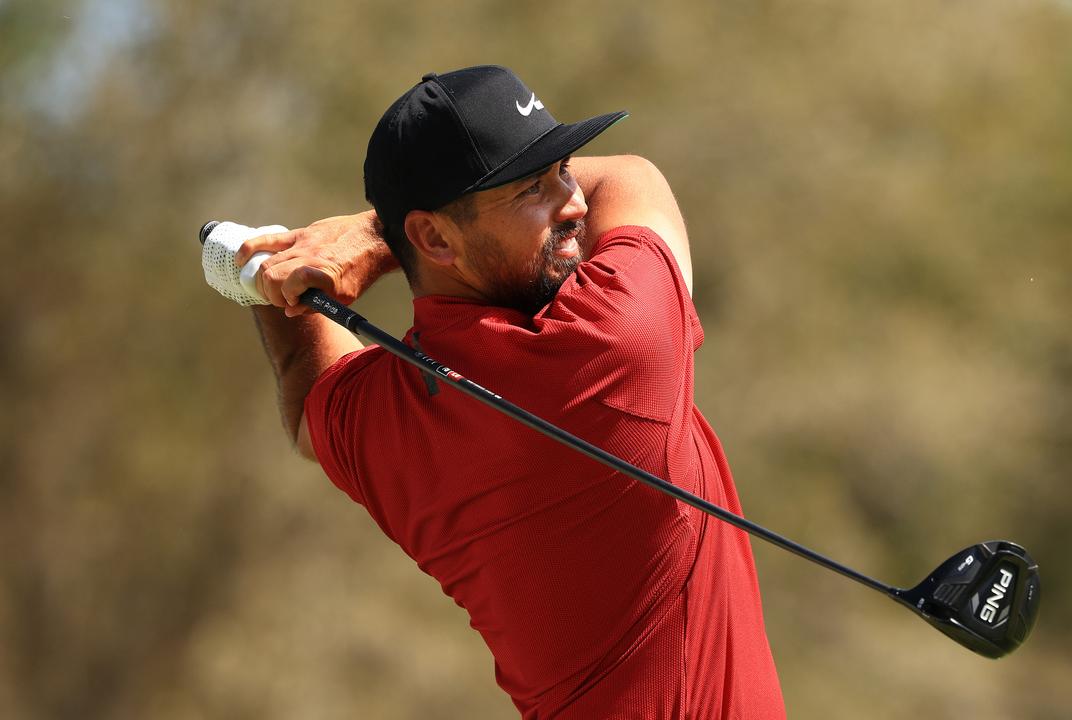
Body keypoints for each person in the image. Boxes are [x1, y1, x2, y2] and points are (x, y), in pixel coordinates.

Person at [236, 66, 786, 718]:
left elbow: (306, 401)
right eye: (533, 188)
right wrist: (370, 235)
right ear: (434, 237)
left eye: (563, 168)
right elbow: (633, 177)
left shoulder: (387, 419)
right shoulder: (612, 342)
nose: (575, 200)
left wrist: (266, 279)